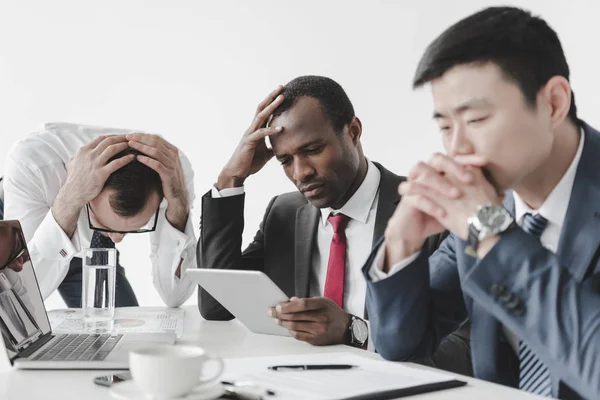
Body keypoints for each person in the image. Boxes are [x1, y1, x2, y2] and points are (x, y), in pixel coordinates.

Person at [364, 6, 600, 399]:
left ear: (554, 104)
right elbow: (402, 344)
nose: (457, 147)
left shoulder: (483, 216)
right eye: (444, 126)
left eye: (475, 120)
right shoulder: (487, 204)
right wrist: (400, 244)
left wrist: (491, 231)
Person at [197, 75, 471, 372]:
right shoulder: (284, 213)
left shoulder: (428, 212)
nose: (300, 173)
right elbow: (216, 305)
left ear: (353, 131)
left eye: (313, 150)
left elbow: (465, 348)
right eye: (285, 160)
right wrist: (230, 181)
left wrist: (353, 331)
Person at [3, 122, 196, 308]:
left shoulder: (171, 171)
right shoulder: (33, 164)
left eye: (133, 229)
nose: (117, 239)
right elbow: (22, 298)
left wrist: (179, 205)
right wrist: (69, 198)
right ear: (88, 197)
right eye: (108, 227)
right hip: (20, 220)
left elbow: (174, 295)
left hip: (89, 245)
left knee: (119, 329)